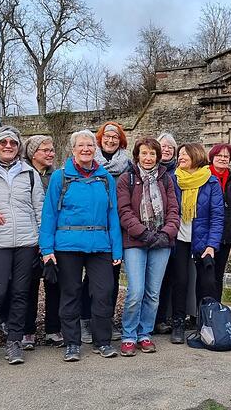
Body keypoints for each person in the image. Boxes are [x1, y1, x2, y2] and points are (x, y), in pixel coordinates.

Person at [39, 130, 123, 362]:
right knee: (70, 294)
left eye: (90, 145)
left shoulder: (105, 178)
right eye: (81, 145)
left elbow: (112, 214)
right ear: (73, 150)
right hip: (67, 245)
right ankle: (72, 343)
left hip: (101, 246)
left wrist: (117, 249)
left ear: (95, 149)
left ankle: (102, 341)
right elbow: (49, 214)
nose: (86, 149)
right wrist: (47, 249)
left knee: (104, 292)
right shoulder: (60, 176)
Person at [0, 126, 44, 368]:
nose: (8, 147)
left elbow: (39, 208)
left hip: (26, 241)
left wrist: (42, 242)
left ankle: (15, 340)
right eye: (3, 143)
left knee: (21, 293)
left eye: (13, 143)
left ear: (19, 146)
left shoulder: (30, 174)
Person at [116, 137, 180, 356]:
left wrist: (166, 233)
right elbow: (124, 212)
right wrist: (144, 234)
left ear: (158, 156)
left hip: (162, 242)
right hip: (135, 241)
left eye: (152, 154)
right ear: (137, 155)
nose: (148, 157)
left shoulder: (166, 179)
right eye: (144, 153)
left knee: (153, 293)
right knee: (136, 291)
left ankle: (144, 334)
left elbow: (174, 210)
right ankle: (128, 335)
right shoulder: (127, 178)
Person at [79, 121, 132, 343]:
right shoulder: (88, 162)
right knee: (90, 276)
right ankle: (84, 320)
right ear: (100, 139)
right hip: (94, 225)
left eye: (115, 137)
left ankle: (105, 318)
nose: (111, 140)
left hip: (117, 225)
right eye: (107, 137)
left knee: (111, 276)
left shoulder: (127, 164)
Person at [170, 143, 224, 344]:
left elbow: (218, 216)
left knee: (207, 282)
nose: (181, 156)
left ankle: (206, 323)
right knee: (180, 281)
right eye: (180, 154)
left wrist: (212, 244)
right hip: (179, 239)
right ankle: (178, 322)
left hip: (203, 239)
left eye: (185, 154)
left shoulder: (211, 182)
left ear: (196, 156)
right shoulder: (173, 180)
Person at [21, 135, 63, 349]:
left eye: (52, 149)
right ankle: (27, 331)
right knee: (28, 286)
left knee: (54, 284)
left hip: (53, 238)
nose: (50, 153)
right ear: (32, 153)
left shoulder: (57, 176)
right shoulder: (23, 174)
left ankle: (53, 329)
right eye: (45, 150)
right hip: (28, 237)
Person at [208, 143, 231, 302]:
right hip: (206, 233)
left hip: (226, 233)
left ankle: (215, 310)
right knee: (205, 274)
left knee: (218, 275)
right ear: (212, 158)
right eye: (219, 156)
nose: (222, 159)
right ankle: (199, 313)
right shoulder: (204, 175)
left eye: (226, 156)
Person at [154, 132, 178, 334]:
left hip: (172, 230)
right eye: (163, 146)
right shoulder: (148, 171)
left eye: (171, 146)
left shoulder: (178, 171)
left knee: (168, 276)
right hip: (151, 232)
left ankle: (162, 317)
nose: (167, 149)